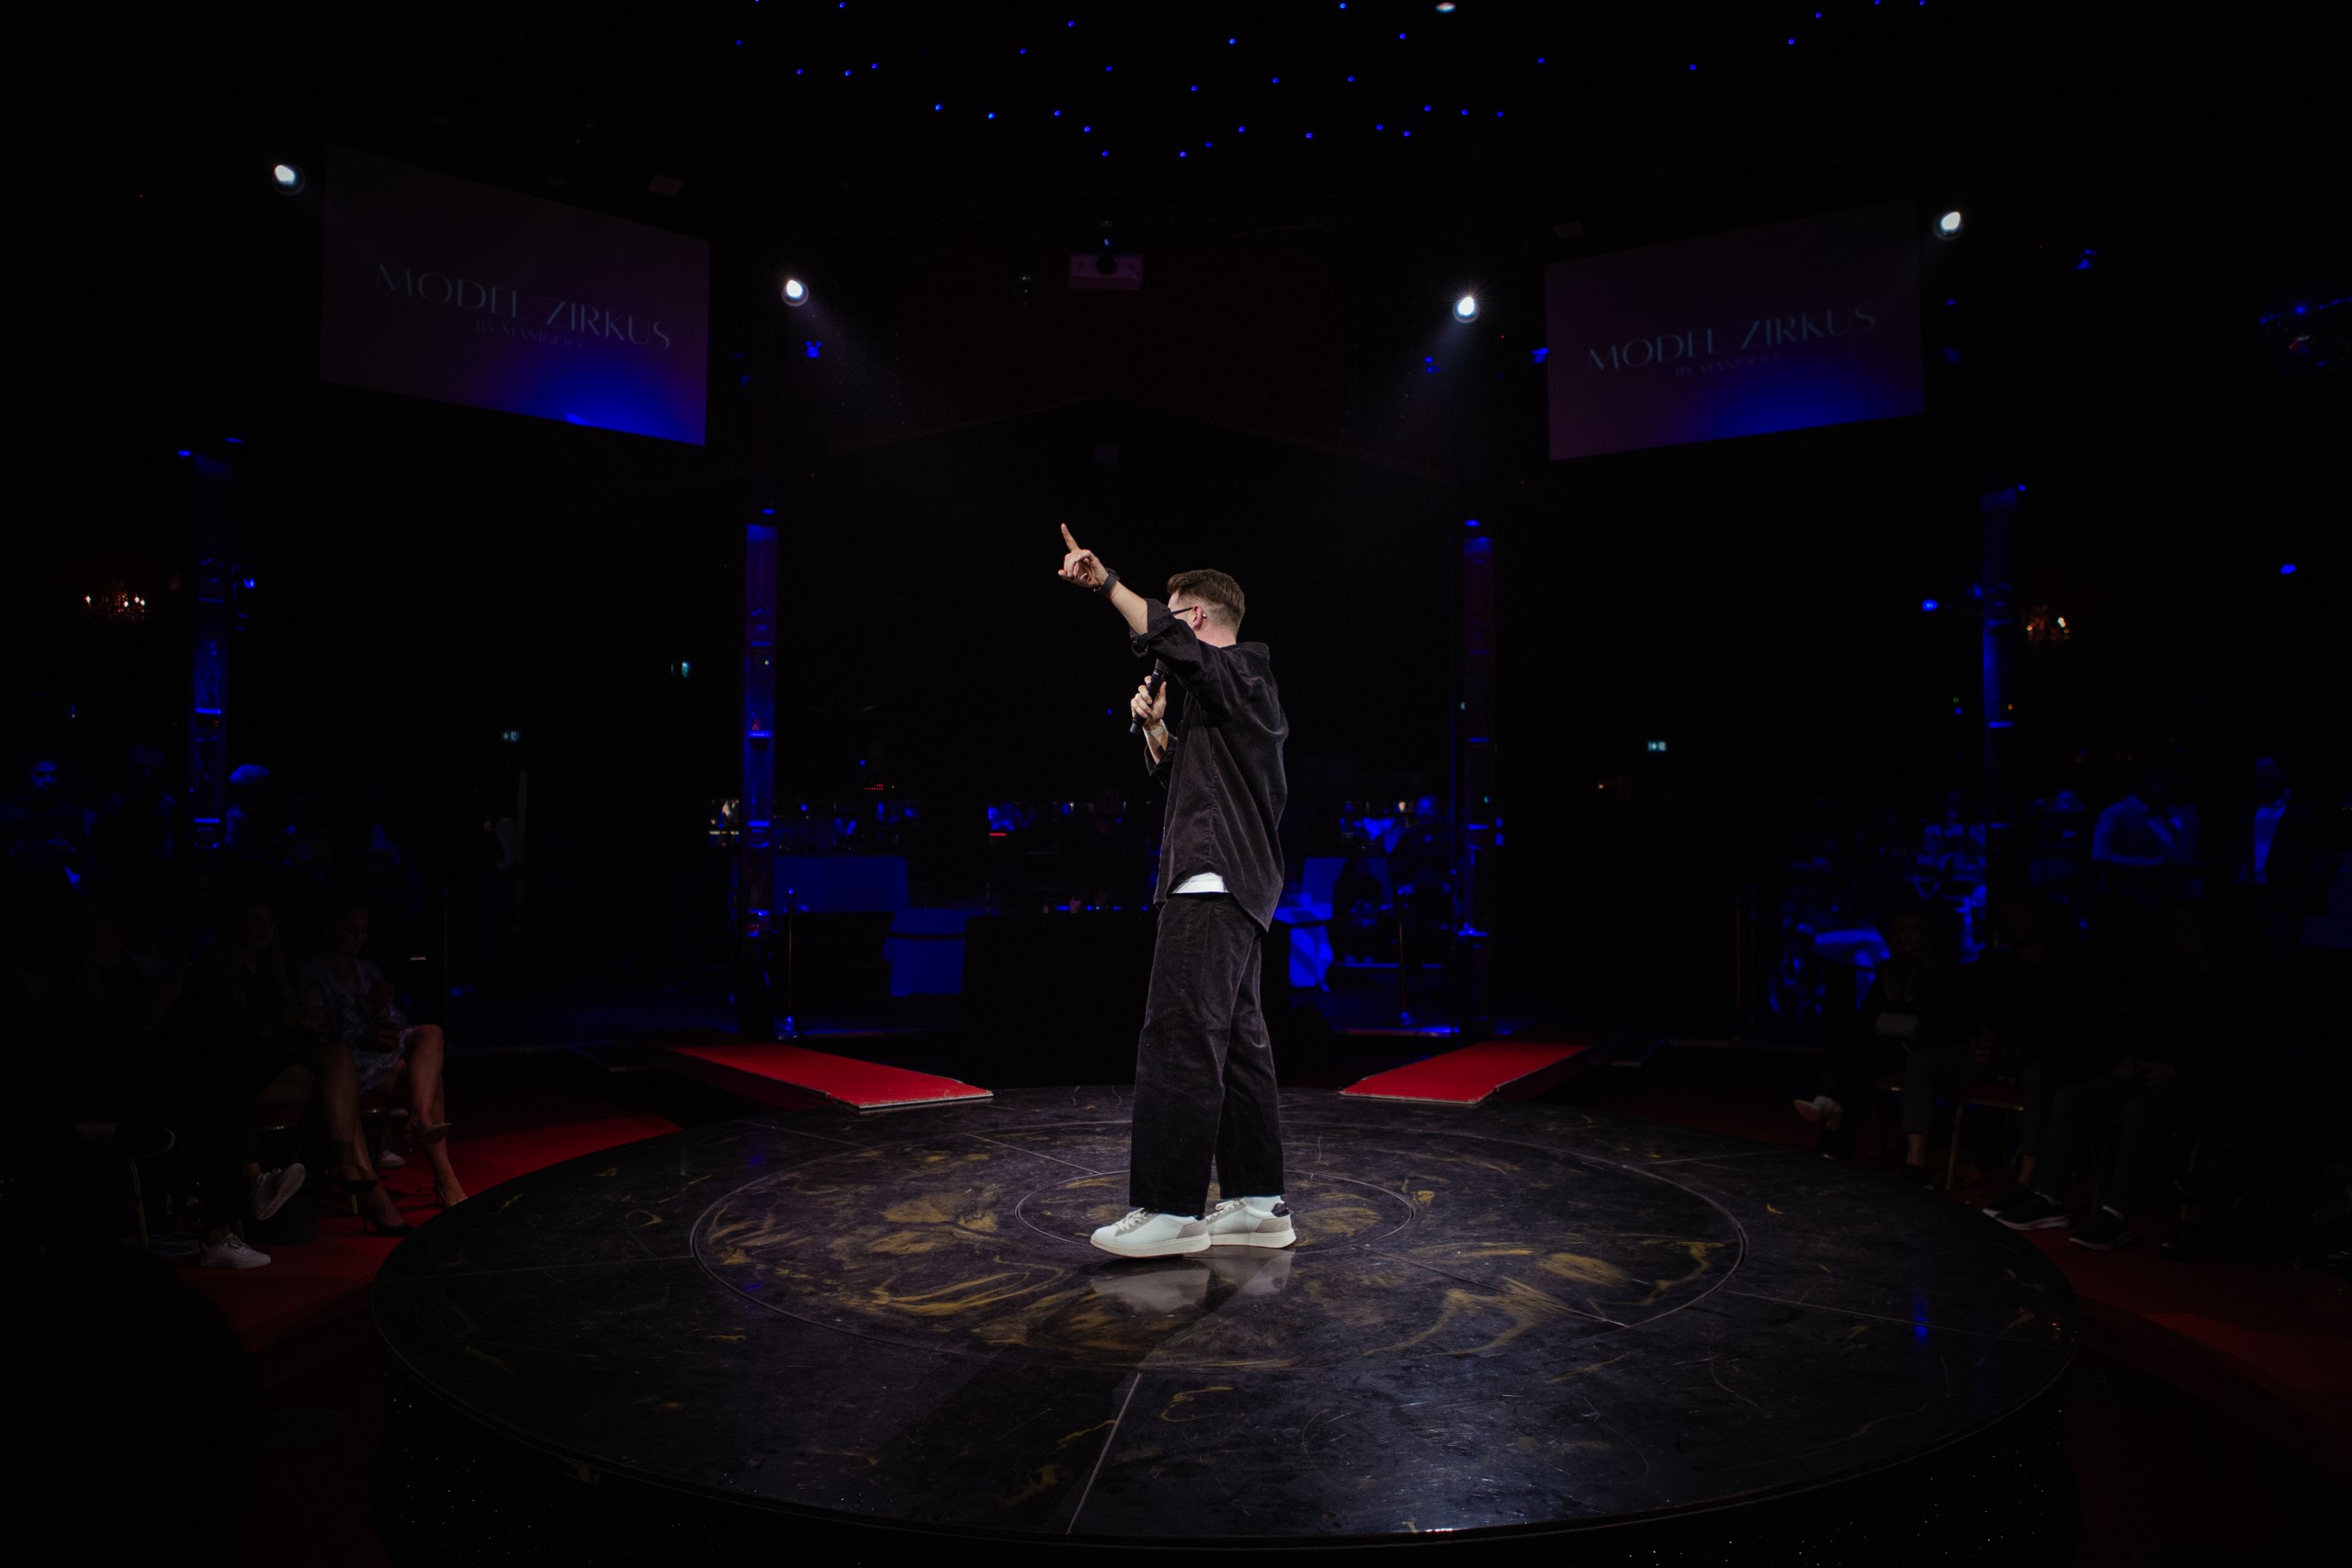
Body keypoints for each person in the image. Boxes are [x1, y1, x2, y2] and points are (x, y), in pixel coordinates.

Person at [1056, 524, 1295, 1258]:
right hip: (1233, 887)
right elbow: (1198, 789)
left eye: (1175, 614)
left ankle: (1170, 1207)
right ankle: (1259, 1201)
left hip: (1212, 885)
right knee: (1239, 1044)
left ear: (1192, 616)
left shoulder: (1243, 672)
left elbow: (1168, 639)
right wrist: (1158, 733)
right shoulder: (1227, 701)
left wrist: (1105, 584)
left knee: (1179, 1037)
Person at [1995, 902, 2232, 1249]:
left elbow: (2234, 1050)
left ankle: (2115, 1213)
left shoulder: (2234, 983)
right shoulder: (2173, 978)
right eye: (2179, 928)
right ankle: (2048, 1197)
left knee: (2140, 1108)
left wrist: (2180, 1069)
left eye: (2192, 928)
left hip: (2199, 1083)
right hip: (2146, 1070)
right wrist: (2129, 1057)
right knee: (2071, 1096)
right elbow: (2152, 1028)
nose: (2183, 937)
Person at [297, 901, 465, 1206]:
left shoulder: (367, 968)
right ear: (330, 930)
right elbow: (319, 1031)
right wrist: (367, 1013)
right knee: (433, 1083)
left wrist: (383, 1019)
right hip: (346, 1062)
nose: (358, 938)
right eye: (351, 930)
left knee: (431, 1032)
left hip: (378, 1053)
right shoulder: (311, 972)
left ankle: (419, 1116)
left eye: (363, 931)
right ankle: (444, 1177)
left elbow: (395, 1020)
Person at [1794, 904, 1973, 1180]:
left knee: (1852, 1057)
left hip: (1922, 1050)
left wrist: (1899, 1021)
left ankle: (1830, 1116)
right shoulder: (1890, 969)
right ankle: (1832, 1130)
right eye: (1901, 930)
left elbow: (1940, 1023)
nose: (1907, 936)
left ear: (1929, 933)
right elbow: (1867, 1014)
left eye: (1914, 929)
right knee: (1849, 1045)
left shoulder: (1944, 972)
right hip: (1886, 1044)